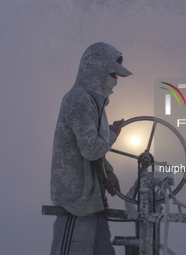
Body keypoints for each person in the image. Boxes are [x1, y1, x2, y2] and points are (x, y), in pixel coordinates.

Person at [50, 42, 132, 255]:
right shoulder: (80, 102)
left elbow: (93, 149)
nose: (115, 82)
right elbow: (91, 150)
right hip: (76, 206)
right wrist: (114, 134)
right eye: (113, 75)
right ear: (98, 72)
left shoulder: (94, 104)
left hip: (93, 203)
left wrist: (109, 172)